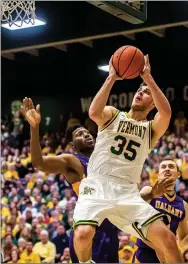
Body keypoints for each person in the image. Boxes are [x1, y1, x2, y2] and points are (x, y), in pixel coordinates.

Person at [72, 55, 183, 263]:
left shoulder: (150, 129)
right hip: (97, 185)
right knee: (83, 234)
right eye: (140, 90)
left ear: (152, 104)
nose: (141, 92)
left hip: (127, 192)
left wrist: (148, 79)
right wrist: (111, 77)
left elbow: (166, 113)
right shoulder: (114, 114)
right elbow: (94, 112)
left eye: (147, 92)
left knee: (167, 238)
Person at [20, 97, 119, 263]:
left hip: (110, 229)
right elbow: (39, 163)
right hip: (89, 229)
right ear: (73, 145)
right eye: (80, 135)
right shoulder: (72, 160)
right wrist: (35, 128)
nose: (86, 134)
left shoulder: (105, 161)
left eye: (86, 132)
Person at [133, 157, 188, 263]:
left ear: (178, 174)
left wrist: (185, 251)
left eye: (171, 167)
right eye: (163, 167)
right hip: (144, 253)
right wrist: (158, 247)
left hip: (168, 254)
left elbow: (183, 237)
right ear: (158, 174)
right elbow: (135, 222)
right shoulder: (148, 191)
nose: (167, 169)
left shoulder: (183, 205)